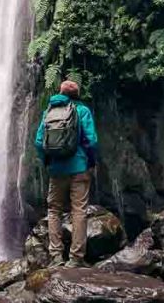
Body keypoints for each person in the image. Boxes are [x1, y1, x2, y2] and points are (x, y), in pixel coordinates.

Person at [34, 80, 98, 269]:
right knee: (79, 211)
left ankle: (56, 256)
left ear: (60, 93)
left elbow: (39, 142)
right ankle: (76, 258)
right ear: (78, 94)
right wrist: (90, 161)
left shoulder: (49, 112)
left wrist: (47, 161)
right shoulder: (82, 111)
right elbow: (92, 141)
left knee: (54, 211)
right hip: (79, 168)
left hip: (56, 170)